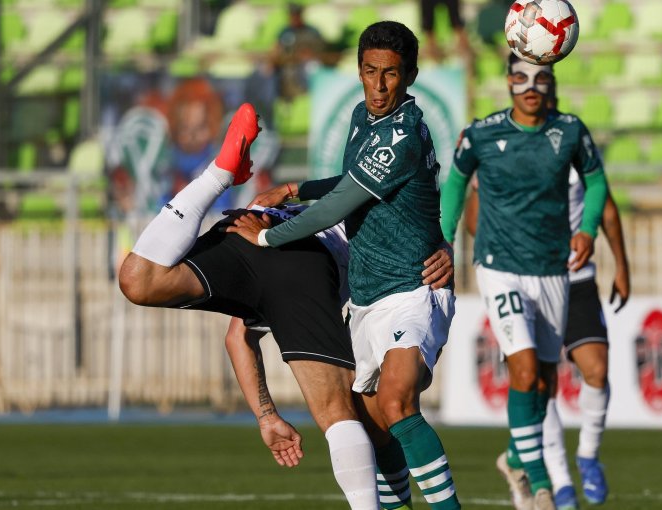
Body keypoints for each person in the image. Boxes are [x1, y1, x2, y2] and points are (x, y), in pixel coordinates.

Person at [117, 103, 451, 509]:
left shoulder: (363, 182)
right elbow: (387, 208)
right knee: (342, 415)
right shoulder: (375, 203)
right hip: (300, 253)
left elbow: (238, 338)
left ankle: (218, 175)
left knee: (140, 280)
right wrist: (441, 244)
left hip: (245, 226)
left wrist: (265, 416)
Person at [226, 21, 461, 510]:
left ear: (410, 75)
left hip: (412, 286)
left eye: (391, 74)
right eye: (370, 71)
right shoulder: (362, 117)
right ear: (358, 70)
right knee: (375, 430)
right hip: (367, 296)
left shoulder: (402, 134)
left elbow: (336, 207)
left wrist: (268, 235)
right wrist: (295, 188)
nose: (378, 85)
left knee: (398, 401)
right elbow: (348, 181)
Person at [439, 54, 609, 510]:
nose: (530, 86)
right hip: (499, 266)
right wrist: (444, 240)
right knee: (526, 368)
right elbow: (455, 183)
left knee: (546, 385)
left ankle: (516, 456)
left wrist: (588, 229)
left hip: (553, 269)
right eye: (520, 77)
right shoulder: (481, 132)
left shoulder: (570, 131)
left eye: (540, 78)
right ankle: (539, 486)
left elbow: (596, 183)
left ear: (551, 83)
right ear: (509, 83)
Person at [272, 3, 326, 99]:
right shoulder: (284, 32)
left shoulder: (312, 32)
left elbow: (323, 50)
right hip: (288, 67)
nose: (294, 18)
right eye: (292, 15)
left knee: (312, 67)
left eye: (296, 15)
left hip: (307, 67)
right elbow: (276, 50)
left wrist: (309, 54)